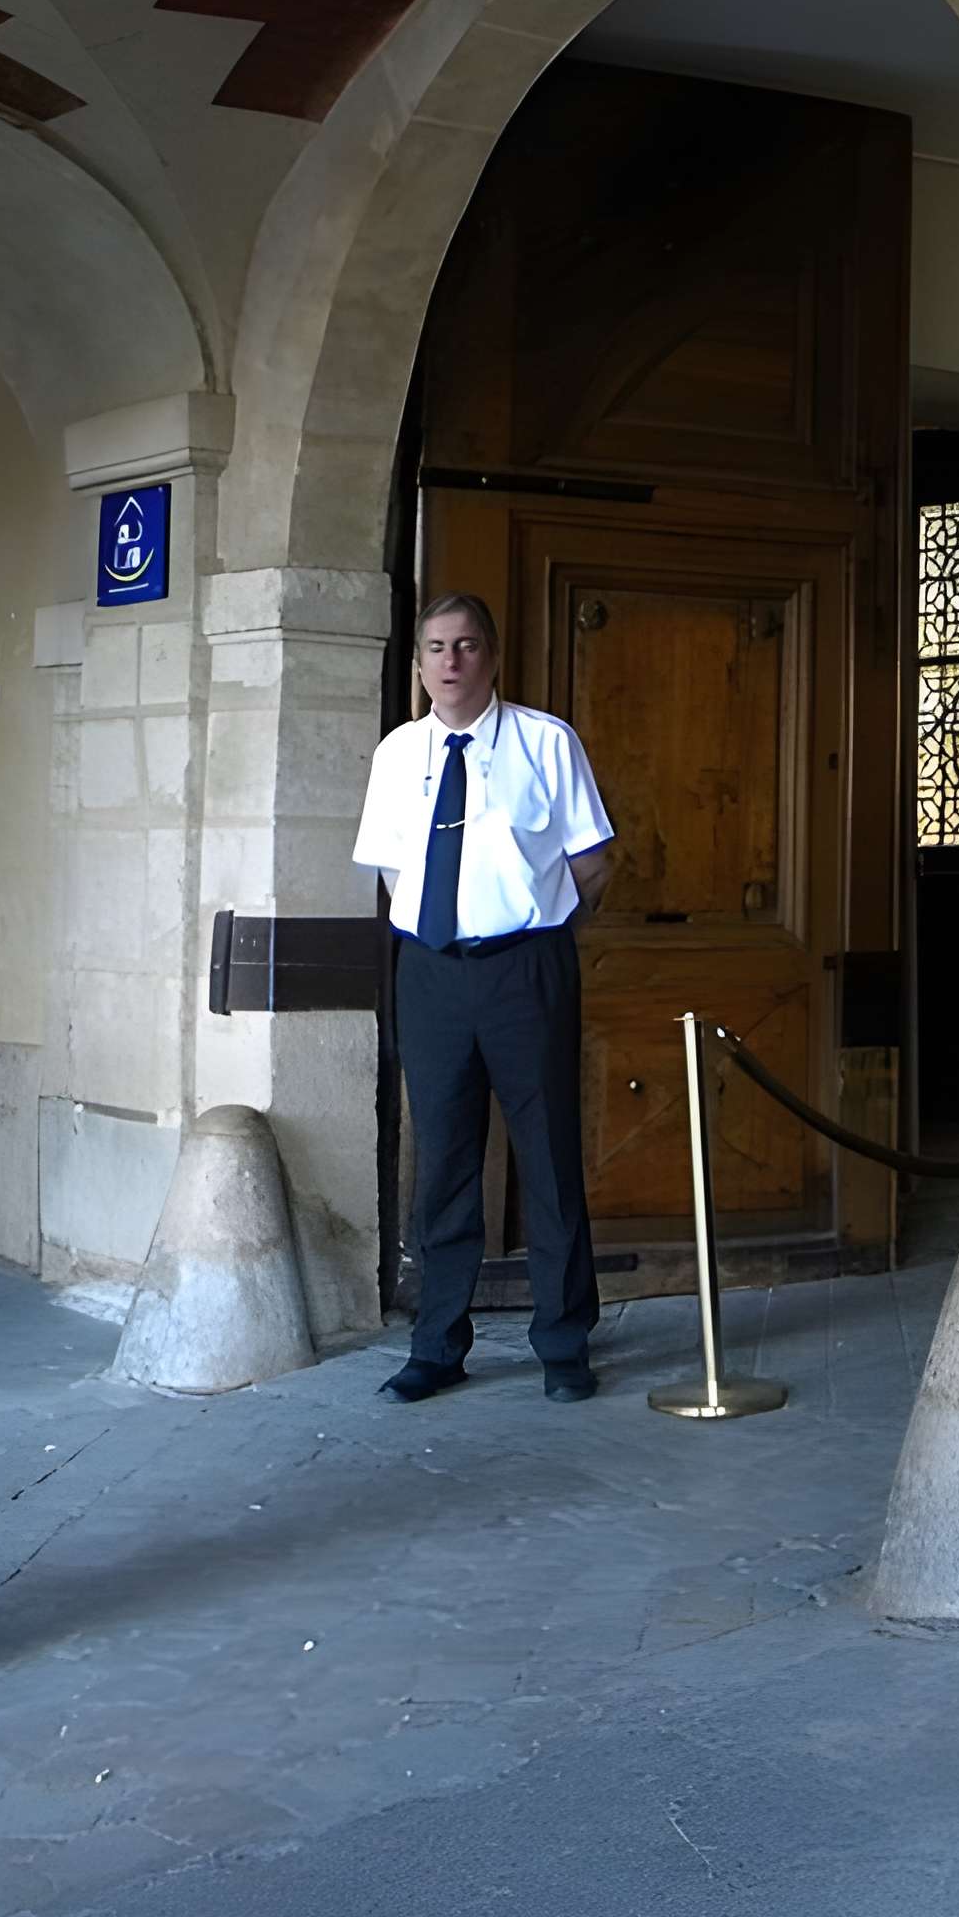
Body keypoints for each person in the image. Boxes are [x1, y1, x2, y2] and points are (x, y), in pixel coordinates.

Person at [354, 593, 616, 1403]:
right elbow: (394, 870)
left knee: (547, 1157)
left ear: (492, 656)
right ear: (421, 664)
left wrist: (527, 927)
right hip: (431, 973)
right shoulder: (397, 753)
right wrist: (448, 928)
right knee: (442, 1162)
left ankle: (564, 1345)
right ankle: (436, 1345)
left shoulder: (546, 742)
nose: (451, 662)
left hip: (525, 970)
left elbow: (592, 861)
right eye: (436, 648)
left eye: (466, 646)